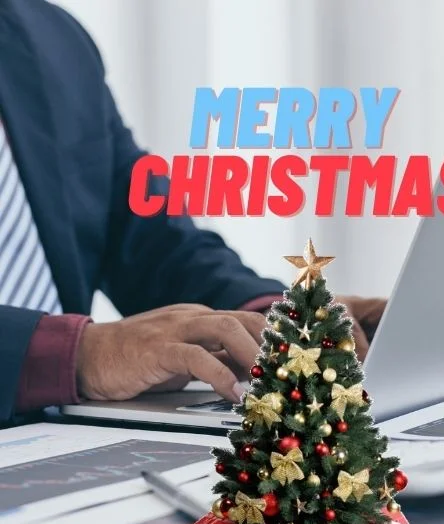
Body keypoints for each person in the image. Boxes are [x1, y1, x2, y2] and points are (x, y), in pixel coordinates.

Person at [0, 0, 385, 425]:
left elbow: (148, 238)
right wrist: (73, 355)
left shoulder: (49, 37)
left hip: (62, 441)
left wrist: (266, 317)